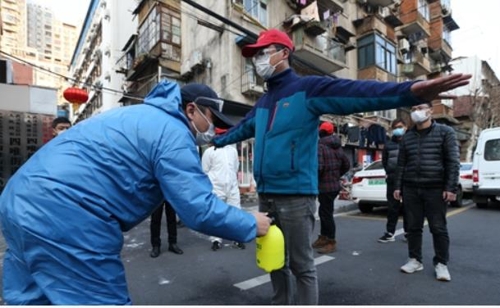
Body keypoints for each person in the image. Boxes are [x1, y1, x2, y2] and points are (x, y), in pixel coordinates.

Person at [212, 28, 470, 305]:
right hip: (267, 195)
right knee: (274, 260)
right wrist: (212, 139)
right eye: (255, 56)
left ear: (283, 53)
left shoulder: (307, 89)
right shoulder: (263, 102)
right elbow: (240, 129)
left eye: (262, 53)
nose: (257, 60)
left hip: (296, 196)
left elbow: (358, 91)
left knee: (301, 265)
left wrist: (406, 92)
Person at [0, 81, 272, 305]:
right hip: (68, 216)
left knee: (32, 298)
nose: (213, 129)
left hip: (17, 203)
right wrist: (250, 223)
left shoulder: (137, 116)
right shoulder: (174, 132)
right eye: (212, 119)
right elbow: (198, 209)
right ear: (191, 110)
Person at [394, 102, 459, 282]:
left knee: (438, 227)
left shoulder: (446, 132)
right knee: (413, 227)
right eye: (413, 109)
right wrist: (397, 186)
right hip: (411, 188)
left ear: (430, 110)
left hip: (435, 189)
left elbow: (452, 162)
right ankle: (415, 260)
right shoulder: (408, 136)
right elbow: (401, 164)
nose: (416, 112)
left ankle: (441, 263)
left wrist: (450, 187)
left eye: (420, 108)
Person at [202, 127, 245, 251]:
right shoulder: (210, 151)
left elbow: (235, 167)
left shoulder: (232, 151)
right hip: (216, 187)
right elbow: (205, 170)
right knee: (216, 213)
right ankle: (216, 240)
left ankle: (237, 238)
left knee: (236, 212)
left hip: (232, 186)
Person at [313, 122, 350, 254]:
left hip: (324, 186)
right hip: (334, 185)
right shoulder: (338, 147)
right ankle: (323, 237)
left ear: (321, 132)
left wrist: (315, 180)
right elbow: (347, 164)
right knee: (325, 211)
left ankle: (330, 241)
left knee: (326, 213)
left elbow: (319, 167)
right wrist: (336, 175)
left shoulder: (320, 146)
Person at [378, 118, 408, 243]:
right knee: (392, 208)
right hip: (392, 180)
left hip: (407, 180)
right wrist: (390, 173)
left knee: (409, 208)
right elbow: (385, 162)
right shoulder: (388, 144)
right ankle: (390, 233)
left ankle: (409, 233)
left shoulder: (410, 141)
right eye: (395, 127)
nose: (397, 129)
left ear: (405, 127)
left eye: (400, 126)